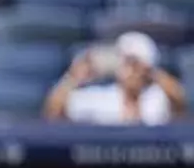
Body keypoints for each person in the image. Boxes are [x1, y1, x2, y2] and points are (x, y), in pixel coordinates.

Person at [43, 31, 186, 126]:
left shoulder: (156, 97)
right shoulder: (101, 98)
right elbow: (54, 112)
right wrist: (73, 78)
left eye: (133, 64)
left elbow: (179, 102)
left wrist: (150, 71)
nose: (128, 69)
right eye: (124, 62)